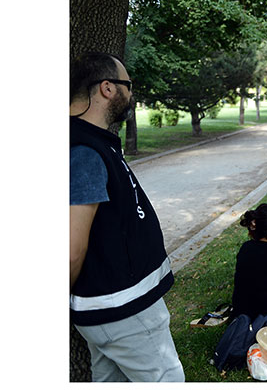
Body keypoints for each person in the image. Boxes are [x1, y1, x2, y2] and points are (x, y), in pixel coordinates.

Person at [70, 52, 184, 382]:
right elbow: (71, 250)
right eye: (128, 85)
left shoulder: (93, 142)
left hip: (113, 308)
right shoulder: (84, 152)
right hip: (122, 310)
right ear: (107, 88)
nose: (131, 94)